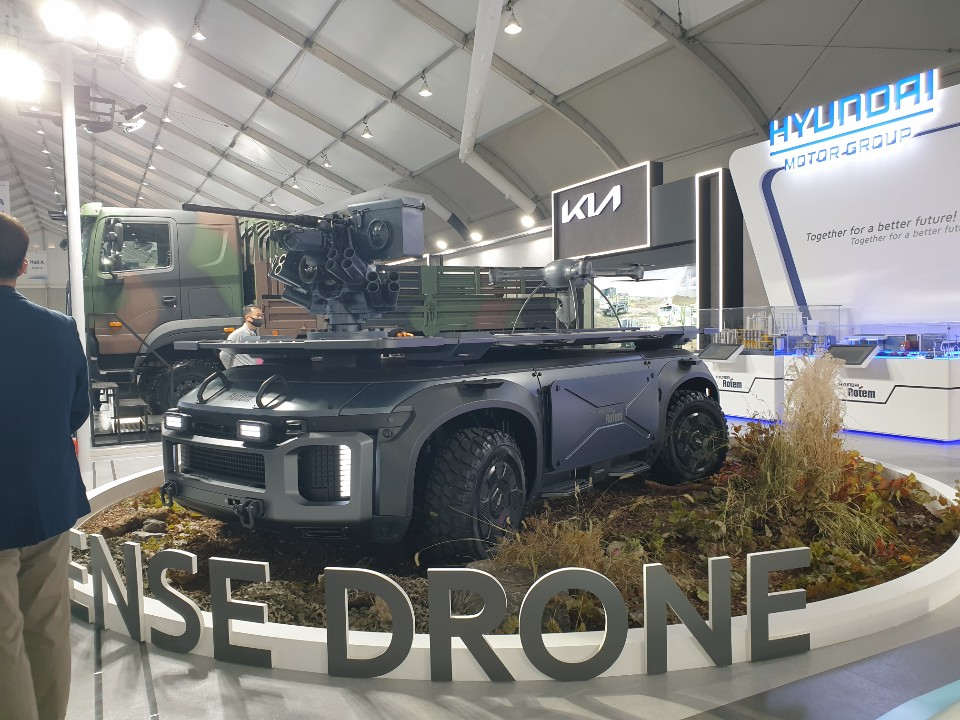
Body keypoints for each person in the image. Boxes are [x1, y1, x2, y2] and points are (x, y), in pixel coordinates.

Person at [0, 213, 91, 720]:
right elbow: (76, 412)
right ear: (22, 265)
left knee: (3, 641)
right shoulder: (60, 328)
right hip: (46, 500)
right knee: (47, 626)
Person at [220, 304, 264, 368]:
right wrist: (231, 369)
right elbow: (224, 355)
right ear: (247, 317)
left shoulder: (254, 333)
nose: (260, 318)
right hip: (241, 371)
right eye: (258, 315)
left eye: (261, 316)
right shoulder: (238, 334)